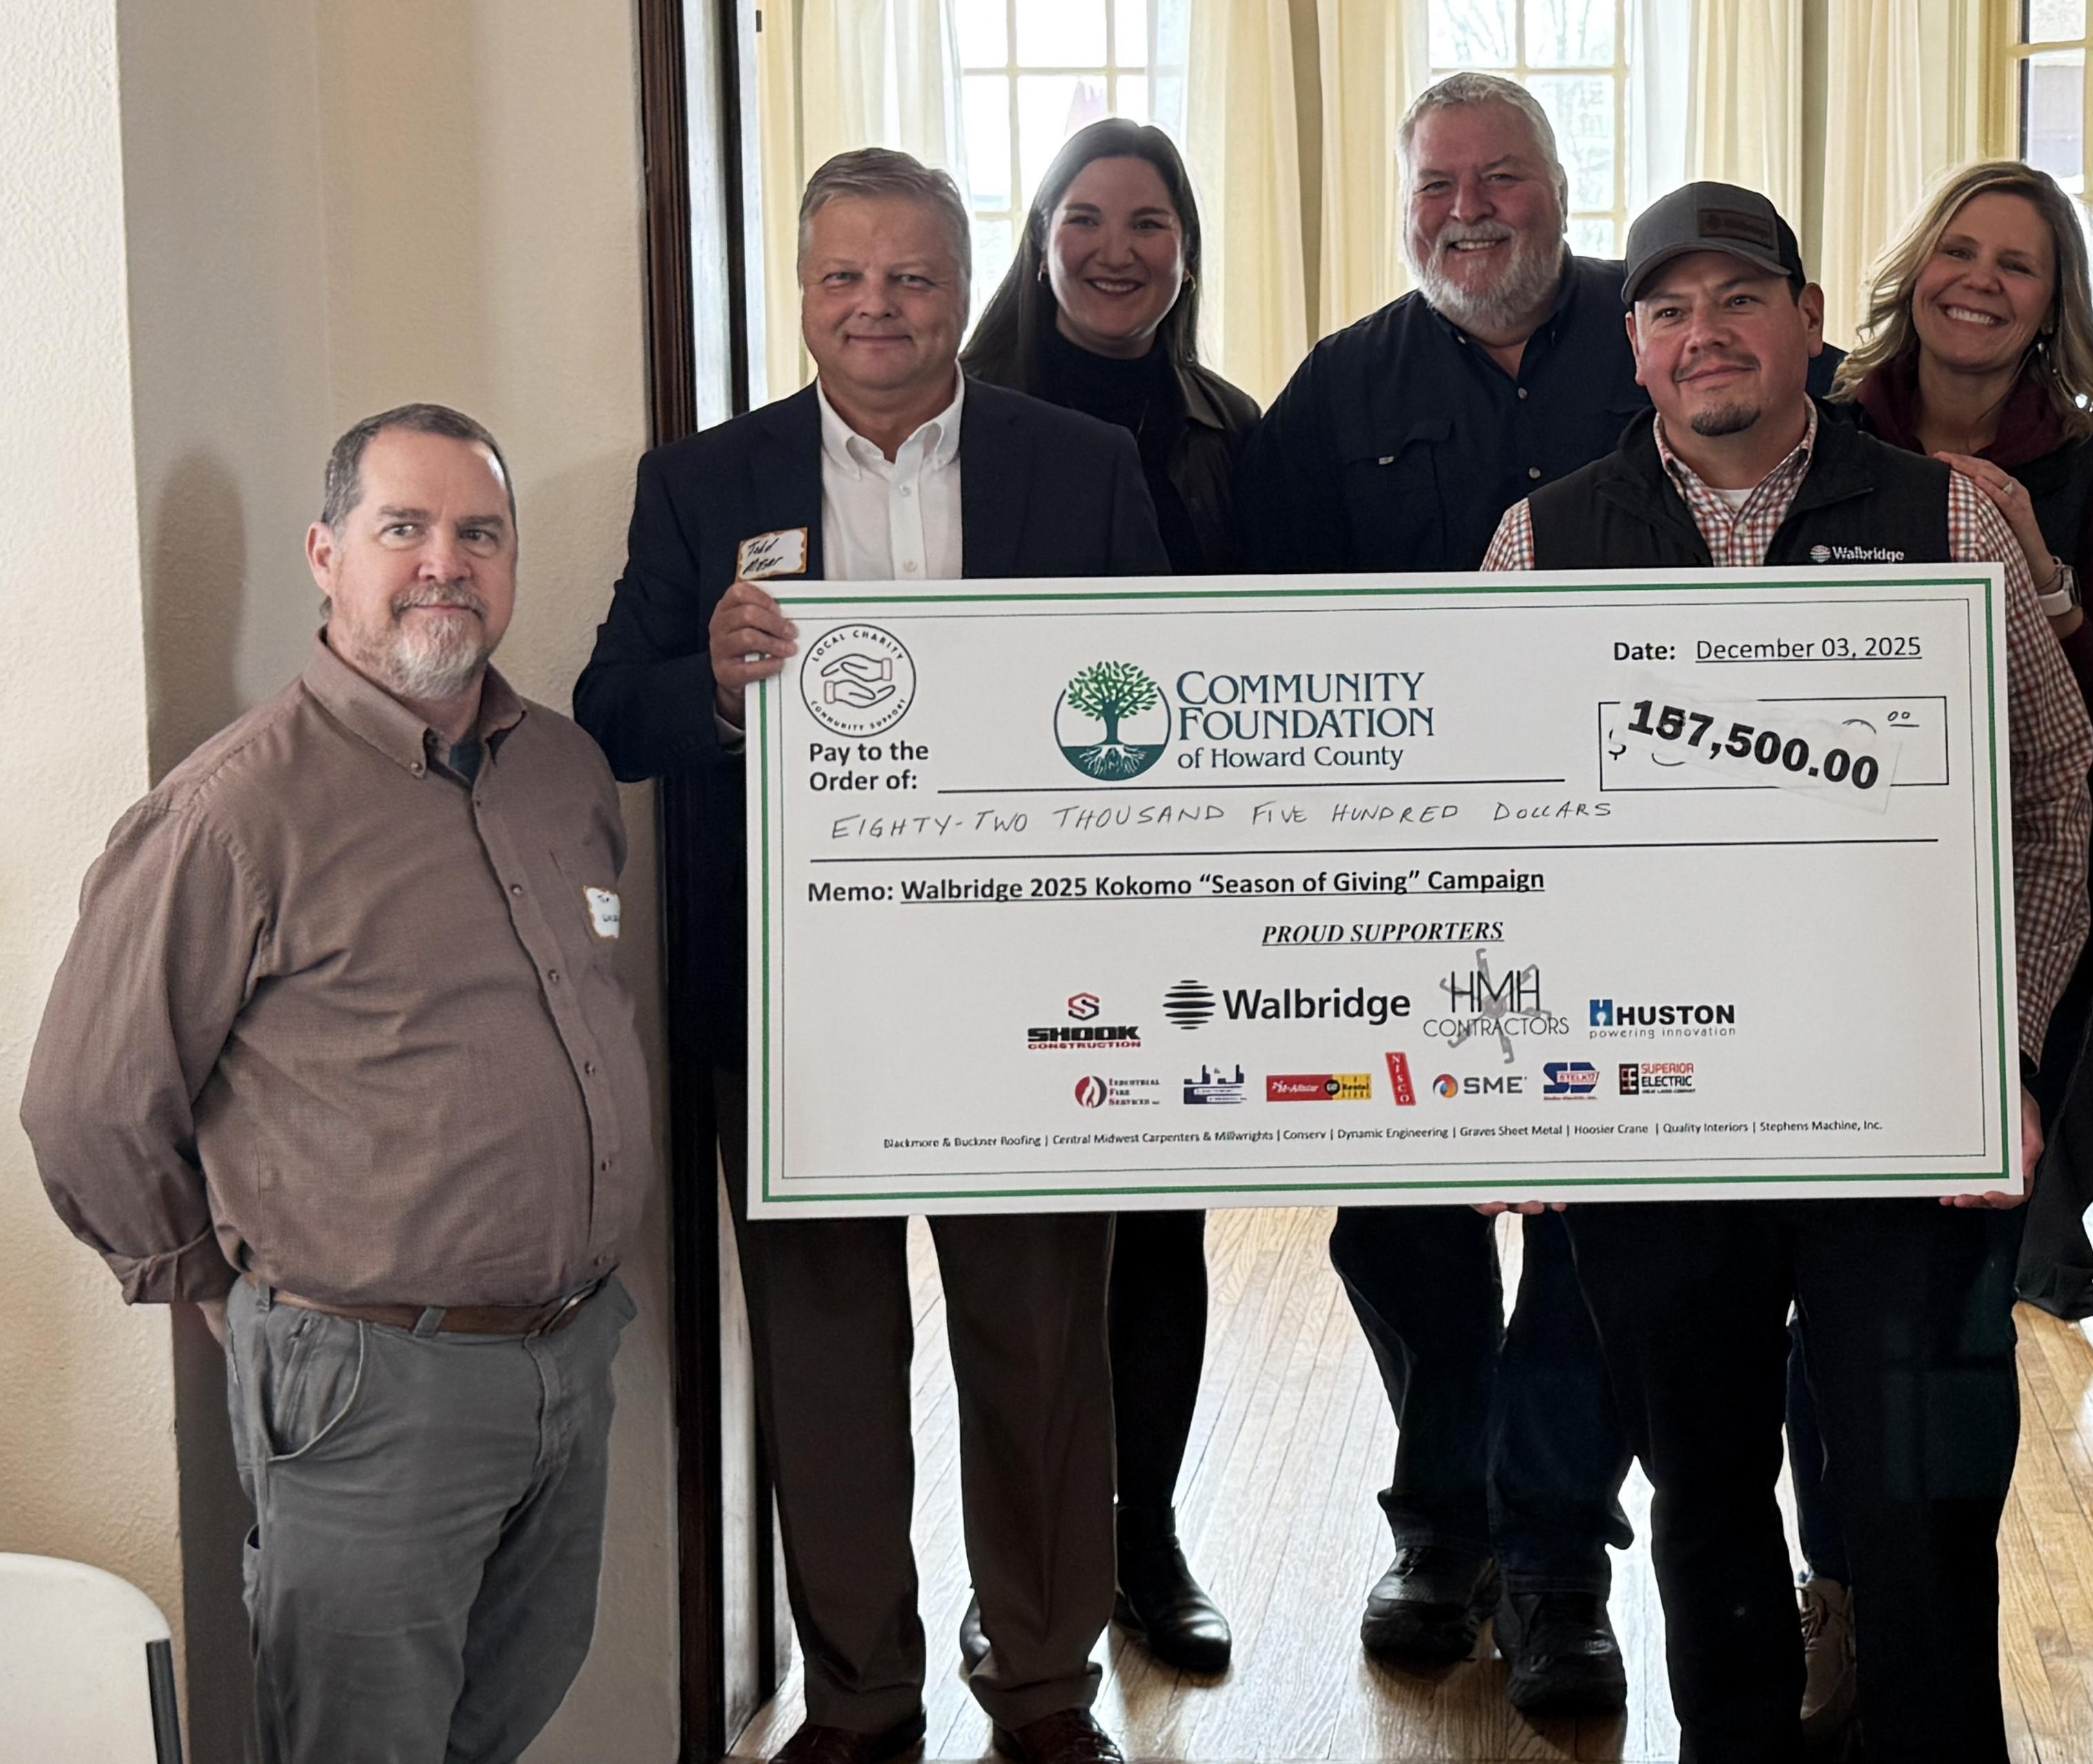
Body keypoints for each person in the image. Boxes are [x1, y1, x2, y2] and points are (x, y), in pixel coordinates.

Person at [1480, 181, 2093, 1764]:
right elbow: (1489, 844)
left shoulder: (1947, 520)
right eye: (1669, 310)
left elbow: (2048, 800)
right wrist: (1506, 1093)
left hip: (1905, 1131)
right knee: (1701, 1497)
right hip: (1654, 1125)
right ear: (1632, 348)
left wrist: (2005, 1056)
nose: (1705, 335)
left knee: (1921, 1503)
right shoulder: (1540, 544)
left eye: (1738, 300)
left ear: (1808, 323)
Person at [575, 148, 1167, 1764]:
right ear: (802, 290)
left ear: (962, 288)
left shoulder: (1082, 466)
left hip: (1031, 1002)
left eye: (910, 276)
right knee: (826, 1362)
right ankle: (857, 1695)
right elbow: (606, 710)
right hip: (795, 1016)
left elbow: (1161, 698)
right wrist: (708, 684)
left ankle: (1041, 1687)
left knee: (1038, 1354)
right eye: (843, 276)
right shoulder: (702, 483)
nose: (876, 308)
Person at [21, 405, 652, 1764]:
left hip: (569, 1355)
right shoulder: (233, 810)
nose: (445, 563)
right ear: (326, 554)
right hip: (368, 1380)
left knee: (501, 1715)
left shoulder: (564, 772)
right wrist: (217, 1285)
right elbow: (85, 1102)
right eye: (402, 528)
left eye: (479, 533)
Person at [1231, 72, 1646, 1713]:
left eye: (1501, 177)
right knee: (1398, 1225)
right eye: (1435, 185)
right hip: (1396, 892)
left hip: (1626, 877)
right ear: (1402, 206)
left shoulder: (1656, 333)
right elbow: (1252, 630)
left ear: (1559, 184)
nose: (1467, 210)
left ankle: (1555, 1556)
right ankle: (1441, 1523)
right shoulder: (1339, 387)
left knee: (1599, 1232)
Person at [1787, 157, 2093, 1737]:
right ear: (1913, 268)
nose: (1980, 282)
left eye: (2017, 263)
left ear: (2050, 302)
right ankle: (1835, 1602)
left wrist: (2038, 575)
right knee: (1811, 1301)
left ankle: (1932, 1630)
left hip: (2009, 944)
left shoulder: (2092, 474)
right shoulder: (1820, 429)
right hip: (1813, 940)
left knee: (1948, 1305)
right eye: (1959, 249)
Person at [955, 115, 1256, 1675]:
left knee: (1156, 1235)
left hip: (1175, 886)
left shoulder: (1232, 429)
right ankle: (1014, 1564)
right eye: (1084, 217)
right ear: (1040, 237)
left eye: (1149, 223)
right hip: (996, 886)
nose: (1116, 249)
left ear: (1186, 251)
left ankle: (1147, 1538)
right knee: (1019, 1253)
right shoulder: (956, 415)